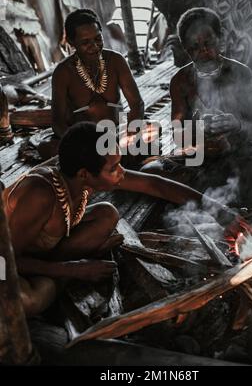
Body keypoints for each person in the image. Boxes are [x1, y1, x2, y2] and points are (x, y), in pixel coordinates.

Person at [5, 122, 204, 317]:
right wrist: (71, 270)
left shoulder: (78, 177)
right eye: (114, 167)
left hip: (41, 255)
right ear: (84, 174)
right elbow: (6, 259)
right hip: (6, 260)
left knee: (107, 214)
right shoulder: (40, 195)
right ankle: (62, 276)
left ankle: (58, 275)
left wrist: (219, 210)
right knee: (27, 302)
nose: (122, 172)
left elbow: (154, 184)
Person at [142, 7, 252, 200]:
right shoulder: (181, 81)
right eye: (194, 47)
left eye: (208, 43)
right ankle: (230, 183)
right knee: (150, 170)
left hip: (239, 154)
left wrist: (236, 125)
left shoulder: (241, 73)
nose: (203, 51)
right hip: (200, 158)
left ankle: (206, 184)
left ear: (220, 39)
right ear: (186, 50)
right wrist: (199, 131)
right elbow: (179, 137)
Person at [38, 9, 144, 159]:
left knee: (151, 134)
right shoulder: (63, 73)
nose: (94, 46)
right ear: (71, 42)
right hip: (84, 141)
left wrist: (131, 132)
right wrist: (80, 144)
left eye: (98, 39)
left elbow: (137, 104)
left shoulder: (116, 61)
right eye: (85, 42)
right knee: (47, 149)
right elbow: (58, 123)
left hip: (116, 133)